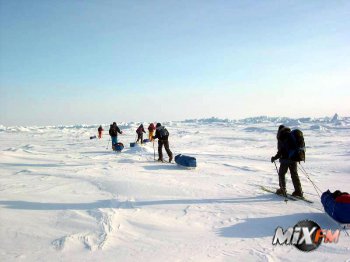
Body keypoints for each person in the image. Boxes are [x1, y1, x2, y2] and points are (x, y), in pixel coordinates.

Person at [271, 125, 303, 197]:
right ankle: (298, 191)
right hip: (294, 158)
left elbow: (281, 151)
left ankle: (283, 189)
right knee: (294, 175)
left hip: (285, 159)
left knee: (281, 174)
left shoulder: (282, 136)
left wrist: (274, 158)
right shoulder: (291, 135)